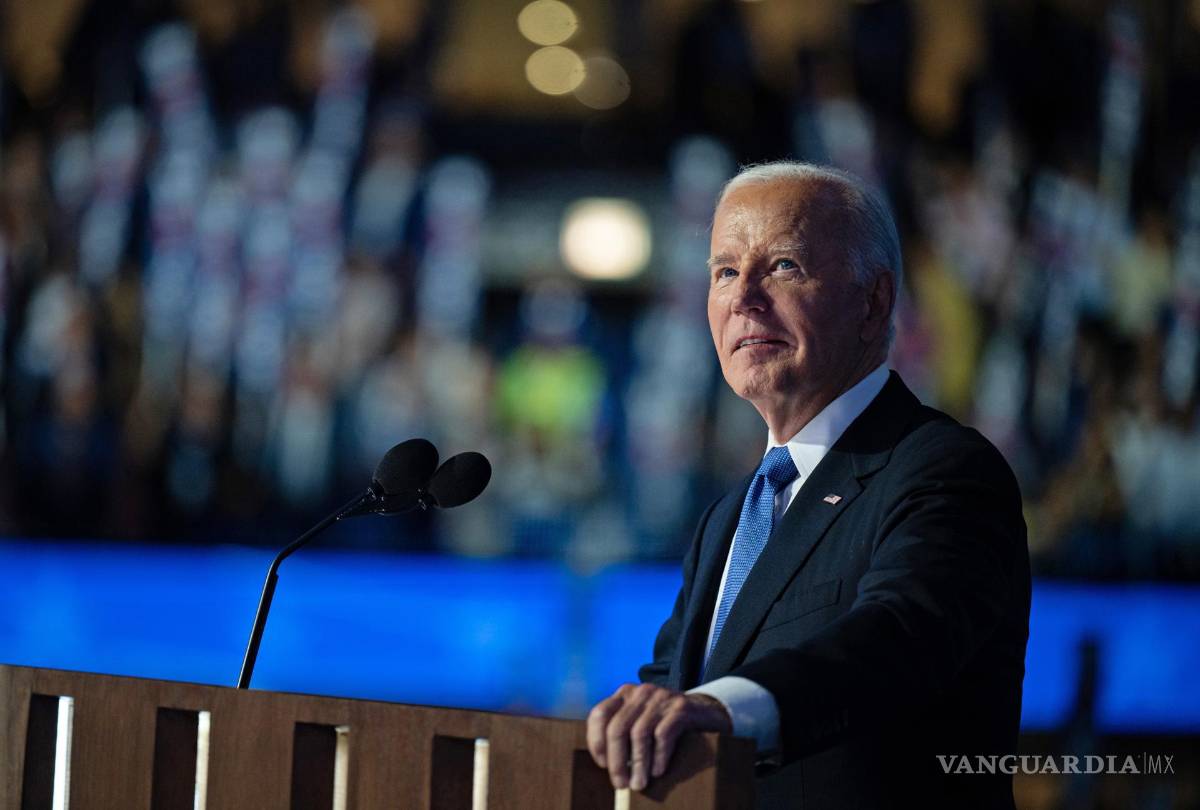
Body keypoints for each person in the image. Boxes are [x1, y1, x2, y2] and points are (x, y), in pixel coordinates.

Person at [587, 162, 1030, 809]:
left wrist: (719, 710)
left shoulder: (944, 470)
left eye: (784, 267)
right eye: (726, 272)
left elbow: (897, 639)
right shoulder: (730, 516)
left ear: (873, 301)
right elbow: (673, 694)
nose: (744, 299)